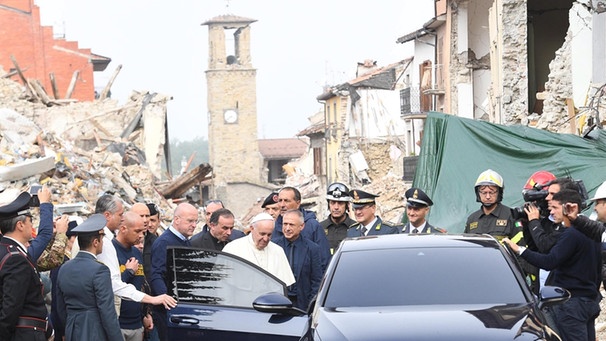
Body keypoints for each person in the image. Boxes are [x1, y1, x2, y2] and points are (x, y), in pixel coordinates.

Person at [503, 189, 601, 341]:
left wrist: (519, 250)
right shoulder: (591, 230)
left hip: (571, 304)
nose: (551, 211)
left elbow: (549, 261)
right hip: (588, 301)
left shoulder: (572, 233)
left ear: (570, 207)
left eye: (555, 207)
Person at [95, 195, 176, 318]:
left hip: (136, 319)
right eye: (120, 215)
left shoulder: (144, 247)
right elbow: (112, 284)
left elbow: (143, 283)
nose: (122, 218)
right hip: (115, 317)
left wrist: (145, 313)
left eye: (147, 216)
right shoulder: (103, 242)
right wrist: (152, 299)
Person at [56, 214, 124, 341]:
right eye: (102, 240)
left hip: (72, 329)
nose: (103, 243)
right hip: (94, 331)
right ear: (95, 242)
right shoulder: (100, 270)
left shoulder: (64, 268)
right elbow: (107, 312)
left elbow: (60, 307)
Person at [0, 191, 51, 340]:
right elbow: (11, 307)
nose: (32, 225)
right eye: (30, 220)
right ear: (20, 225)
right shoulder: (15, 259)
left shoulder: (8, 251)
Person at [150, 203, 198, 341]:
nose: (194, 225)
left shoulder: (185, 241)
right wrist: (168, 302)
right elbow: (156, 275)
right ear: (176, 220)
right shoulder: (164, 242)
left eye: (196, 221)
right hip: (169, 312)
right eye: (190, 221)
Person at [223, 212, 295, 286]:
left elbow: (284, 285)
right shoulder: (232, 248)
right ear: (252, 228)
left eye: (269, 235)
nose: (266, 239)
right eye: (262, 234)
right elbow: (224, 283)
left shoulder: (278, 251)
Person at [114, 211, 153, 341]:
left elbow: (141, 285)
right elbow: (110, 287)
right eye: (137, 231)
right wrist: (128, 272)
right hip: (118, 323)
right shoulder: (110, 251)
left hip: (136, 324)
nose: (141, 236)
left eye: (143, 232)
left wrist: (145, 314)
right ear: (123, 229)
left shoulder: (136, 252)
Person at [272, 186, 331, 271]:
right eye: (280, 201)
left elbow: (323, 261)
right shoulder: (274, 226)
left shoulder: (312, 226)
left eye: (286, 201)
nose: (282, 205)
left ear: (298, 203)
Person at [275, 209, 322, 310]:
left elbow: (316, 281)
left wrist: (310, 306)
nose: (287, 228)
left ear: (302, 226)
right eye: (285, 224)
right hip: (278, 302)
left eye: (291, 225)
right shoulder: (273, 246)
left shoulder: (312, 249)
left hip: (302, 304)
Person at [465, 169, 520, 241]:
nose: (488, 197)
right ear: (478, 194)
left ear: (499, 193)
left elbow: (520, 248)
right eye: (484, 192)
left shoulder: (511, 215)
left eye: (491, 192)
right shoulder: (472, 219)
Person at [319, 182, 356, 254]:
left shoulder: (355, 228)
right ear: (328, 205)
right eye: (333, 202)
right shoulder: (319, 228)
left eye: (340, 203)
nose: (336, 207)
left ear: (347, 205)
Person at [143, 202, 160, 281]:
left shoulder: (162, 243)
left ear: (159, 222)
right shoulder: (138, 241)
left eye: (153, 220)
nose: (149, 224)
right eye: (147, 220)